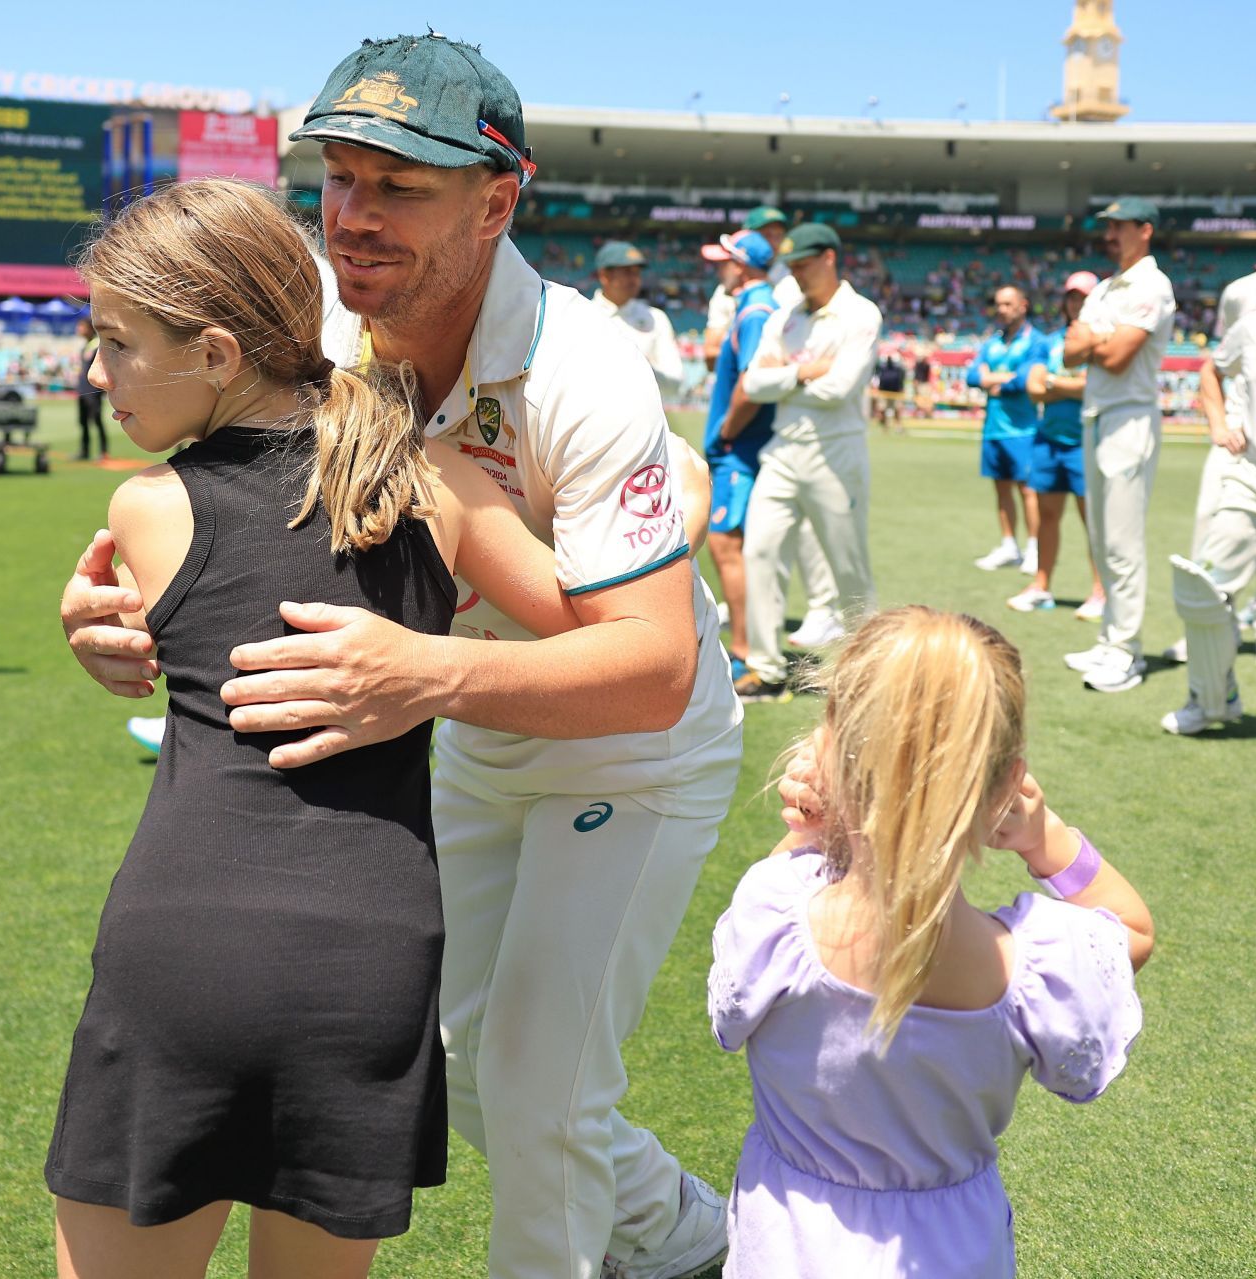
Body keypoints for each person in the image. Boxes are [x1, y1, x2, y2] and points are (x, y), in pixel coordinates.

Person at [63, 33, 741, 1279]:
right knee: (462, 1069)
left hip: (626, 749)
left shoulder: (588, 370)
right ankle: (681, 1227)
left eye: (402, 188)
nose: (355, 221)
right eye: (340, 178)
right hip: (459, 730)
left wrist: (424, 676)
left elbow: (656, 669)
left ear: (498, 200)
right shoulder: (325, 314)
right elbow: (212, 461)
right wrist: (108, 588)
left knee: (538, 1087)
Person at [48, 175, 605, 1279]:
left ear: (215, 354)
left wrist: (95, 625)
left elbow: (156, 617)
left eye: (114, 343)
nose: (92, 371)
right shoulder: (434, 480)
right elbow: (595, 624)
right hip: (374, 957)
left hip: (188, 949)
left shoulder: (149, 507)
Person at [710, 606, 1152, 1278]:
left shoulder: (776, 913)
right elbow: (1132, 930)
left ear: (833, 756)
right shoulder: (1033, 962)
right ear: (1005, 782)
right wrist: (1046, 836)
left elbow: (728, 1010)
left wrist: (806, 829)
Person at [1162, 234, 1256, 761]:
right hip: (1253, 469)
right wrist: (1220, 422)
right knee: (1203, 586)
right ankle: (1210, 698)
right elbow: (1211, 371)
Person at [736, 224, 882, 701]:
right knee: (759, 550)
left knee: (849, 566)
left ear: (829, 258)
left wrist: (783, 375)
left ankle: (869, 669)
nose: (795, 273)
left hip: (834, 451)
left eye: (802, 264)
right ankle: (766, 666)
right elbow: (752, 383)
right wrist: (803, 371)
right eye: (792, 265)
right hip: (783, 449)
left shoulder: (860, 314)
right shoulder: (786, 316)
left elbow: (840, 389)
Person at [701, 230, 843, 653]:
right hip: (742, 447)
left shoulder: (756, 310)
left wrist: (726, 433)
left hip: (740, 449)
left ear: (741, 265)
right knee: (736, 546)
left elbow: (750, 385)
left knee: (730, 545)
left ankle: (747, 650)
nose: (717, 269)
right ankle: (750, 646)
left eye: (724, 261)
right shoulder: (754, 307)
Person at [1061, 198, 1176, 694]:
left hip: (1129, 417)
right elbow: (1071, 352)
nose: (1110, 236)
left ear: (1145, 231)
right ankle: (1110, 640)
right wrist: (1093, 340)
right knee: (1103, 539)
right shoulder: (1105, 288)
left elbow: (1118, 357)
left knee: (1123, 543)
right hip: (1097, 415)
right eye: (1107, 228)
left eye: (1120, 227)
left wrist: (1095, 339)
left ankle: (1128, 652)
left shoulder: (1153, 285)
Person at [1016, 272, 1105, 615]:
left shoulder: (1100, 341)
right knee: (1047, 516)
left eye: (1083, 297)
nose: (1076, 303)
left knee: (1092, 521)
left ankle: (1099, 591)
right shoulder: (1049, 342)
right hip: (1048, 441)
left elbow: (1090, 388)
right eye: (1071, 297)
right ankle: (1041, 586)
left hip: (1086, 441)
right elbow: (1034, 388)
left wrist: (1054, 384)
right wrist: (1068, 385)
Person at [965, 287, 1041, 575]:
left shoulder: (1035, 341)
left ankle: (1034, 548)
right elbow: (972, 376)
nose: (1002, 309)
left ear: (1023, 305)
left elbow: (1025, 379)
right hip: (993, 429)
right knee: (1001, 489)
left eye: (1008, 304)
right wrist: (994, 379)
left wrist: (993, 380)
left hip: (1023, 429)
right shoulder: (992, 343)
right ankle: (1009, 546)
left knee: (1028, 491)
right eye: (998, 304)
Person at [591, 241, 684, 399]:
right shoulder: (584, 316)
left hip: (644, 420)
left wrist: (641, 367)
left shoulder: (656, 318)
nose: (635, 280)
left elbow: (674, 385)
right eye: (627, 272)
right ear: (604, 276)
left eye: (637, 273)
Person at [74, 316, 108, 460]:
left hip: (93, 391)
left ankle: (103, 451)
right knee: (83, 422)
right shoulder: (85, 347)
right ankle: (85, 450)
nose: (79, 329)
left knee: (97, 420)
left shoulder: (97, 345)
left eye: (81, 326)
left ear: (89, 328)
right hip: (82, 391)